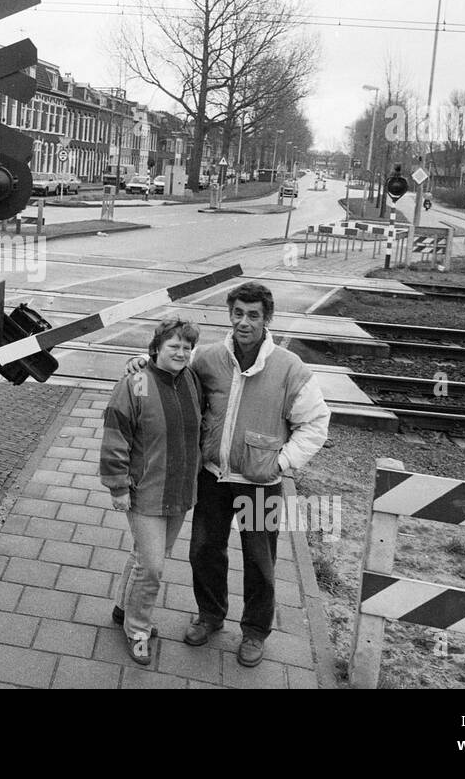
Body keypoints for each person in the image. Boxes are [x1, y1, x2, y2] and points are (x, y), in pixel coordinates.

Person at [126, 281, 330, 668]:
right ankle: (210, 616)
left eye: (253, 315)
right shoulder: (209, 358)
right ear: (230, 315)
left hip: (261, 485)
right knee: (204, 550)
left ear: (267, 318)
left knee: (260, 559)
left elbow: (316, 423)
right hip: (213, 478)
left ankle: (254, 632)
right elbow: (170, 365)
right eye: (238, 313)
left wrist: (283, 464)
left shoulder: (289, 367)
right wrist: (140, 362)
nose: (244, 322)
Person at [99, 316, 203, 666]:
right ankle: (138, 630)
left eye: (187, 347)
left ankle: (123, 608)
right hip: (145, 491)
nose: (181, 352)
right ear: (156, 348)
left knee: (144, 558)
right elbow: (116, 434)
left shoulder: (190, 380)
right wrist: (117, 487)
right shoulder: (137, 382)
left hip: (180, 489)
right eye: (173, 346)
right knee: (154, 567)